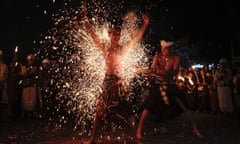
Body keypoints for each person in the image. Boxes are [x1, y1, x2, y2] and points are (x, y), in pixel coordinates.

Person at [82, 0, 149, 143]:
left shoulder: (122, 48)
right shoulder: (104, 48)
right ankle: (93, 138)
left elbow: (136, 39)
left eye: (118, 35)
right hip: (107, 81)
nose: (116, 37)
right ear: (109, 35)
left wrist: (145, 24)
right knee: (99, 111)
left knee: (128, 111)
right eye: (113, 34)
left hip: (119, 81)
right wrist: (85, 18)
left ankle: (136, 138)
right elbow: (91, 33)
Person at [136, 40, 203, 141]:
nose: (164, 50)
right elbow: (152, 70)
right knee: (148, 106)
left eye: (166, 48)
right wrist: (147, 71)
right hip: (158, 84)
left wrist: (163, 72)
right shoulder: (157, 57)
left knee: (185, 106)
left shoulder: (176, 58)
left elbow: (173, 73)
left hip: (170, 85)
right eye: (163, 48)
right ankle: (139, 130)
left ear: (171, 48)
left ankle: (195, 129)